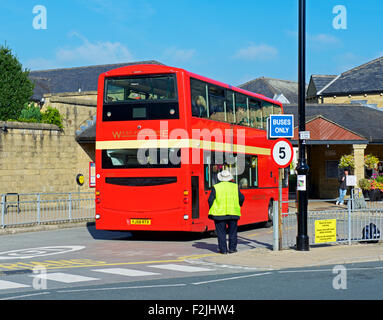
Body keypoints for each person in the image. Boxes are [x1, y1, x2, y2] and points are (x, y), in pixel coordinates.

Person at [208, 170, 245, 254]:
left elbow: (210, 200)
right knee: (232, 232)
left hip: (219, 214)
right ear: (229, 178)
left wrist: (213, 209)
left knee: (221, 233)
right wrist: (239, 204)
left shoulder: (216, 187)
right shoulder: (235, 187)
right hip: (233, 213)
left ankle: (223, 250)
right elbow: (242, 198)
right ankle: (232, 249)